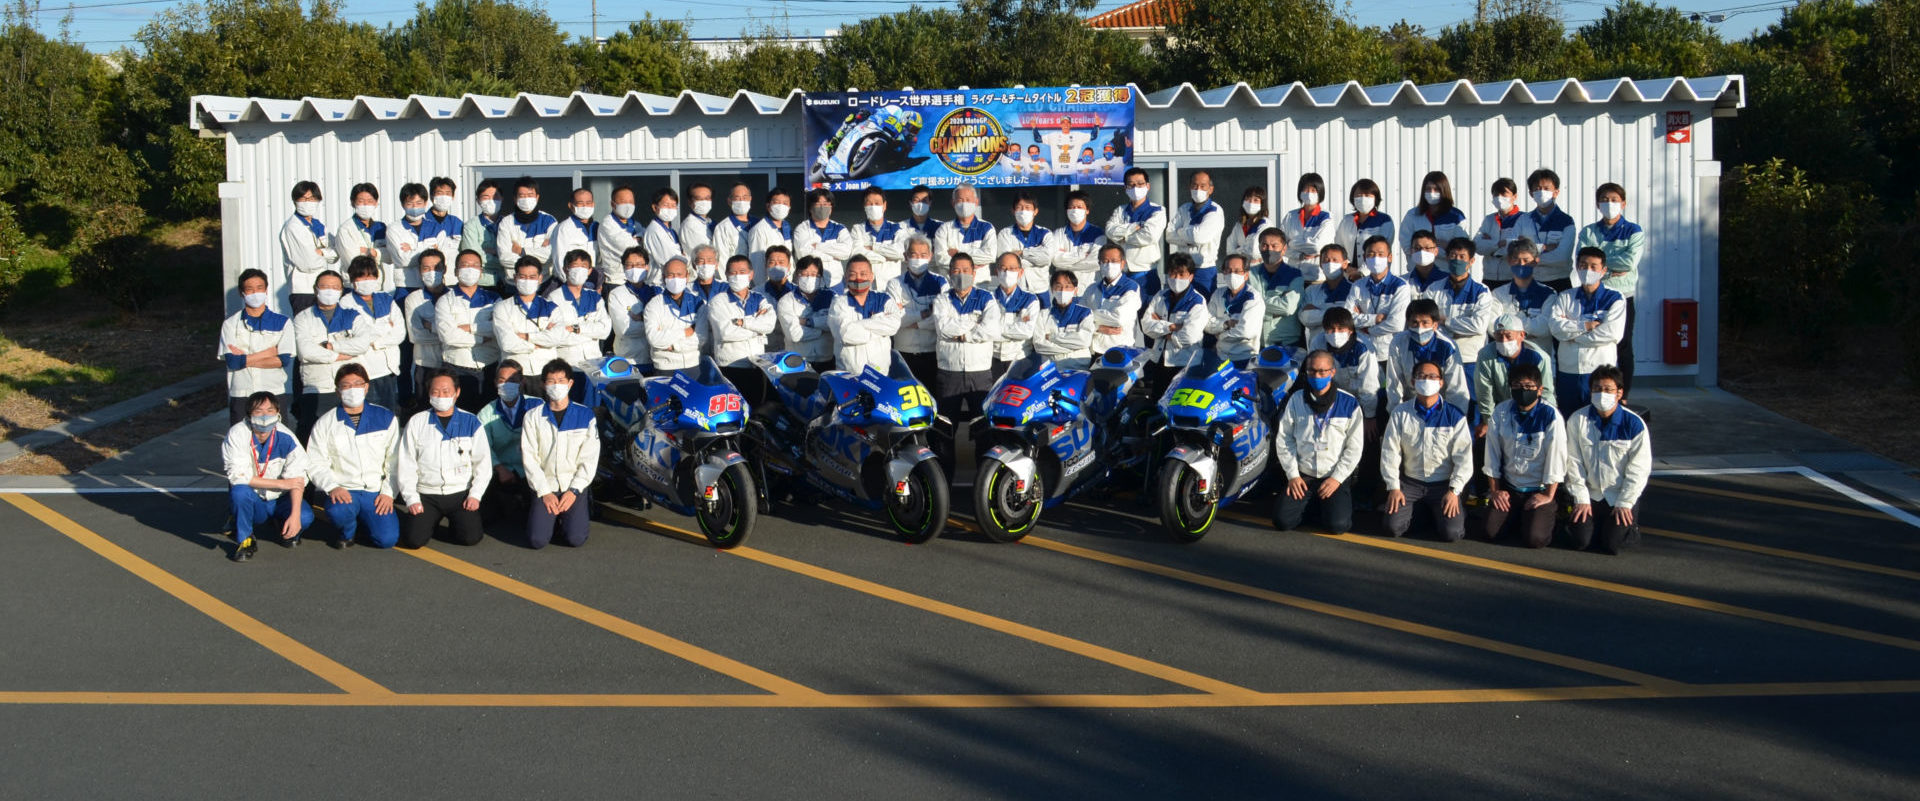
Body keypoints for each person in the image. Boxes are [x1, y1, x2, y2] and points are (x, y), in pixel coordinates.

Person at [305, 363, 402, 549]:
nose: (352, 389)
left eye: (358, 384)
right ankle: (348, 531)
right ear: (338, 391)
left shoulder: (386, 417)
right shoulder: (326, 422)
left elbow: (395, 460)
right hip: (345, 490)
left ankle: (367, 522)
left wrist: (388, 493)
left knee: (387, 540)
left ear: (366, 387)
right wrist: (332, 487)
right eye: (346, 385)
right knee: (338, 512)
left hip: (375, 490)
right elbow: (315, 462)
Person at [1273, 350, 1365, 534]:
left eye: (1323, 371)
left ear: (1332, 372)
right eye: (1312, 371)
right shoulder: (1296, 399)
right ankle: (1313, 504)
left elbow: (1354, 448)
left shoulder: (1349, 403)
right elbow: (1284, 439)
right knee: (1282, 522)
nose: (1317, 376)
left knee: (1337, 526)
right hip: (1303, 475)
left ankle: (1329, 504)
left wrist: (1336, 479)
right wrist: (1293, 475)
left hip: (1333, 476)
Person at [1380, 360, 1473, 541]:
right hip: (1411, 483)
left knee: (1451, 534)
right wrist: (1394, 487)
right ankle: (1425, 512)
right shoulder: (1400, 413)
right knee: (1392, 528)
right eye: (1421, 376)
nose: (1426, 380)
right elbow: (1390, 453)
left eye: (1432, 377)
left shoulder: (1455, 416)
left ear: (1441, 382)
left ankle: (1444, 512)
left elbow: (1464, 459)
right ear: (1413, 382)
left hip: (1443, 485)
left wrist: (1454, 491)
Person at [396, 369, 490, 548]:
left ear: (457, 393)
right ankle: (428, 522)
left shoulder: (471, 422)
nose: (441, 396)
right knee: (413, 541)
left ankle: (456, 522)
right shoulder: (417, 422)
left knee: (470, 538)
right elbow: (406, 463)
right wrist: (411, 499)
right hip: (426, 493)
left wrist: (475, 495)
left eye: (446, 392)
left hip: (460, 492)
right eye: (435, 392)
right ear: (429, 393)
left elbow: (483, 463)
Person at [1564, 365, 1651, 554]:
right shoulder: (1577, 419)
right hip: (1590, 495)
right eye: (1597, 389)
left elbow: (1639, 470)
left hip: (1618, 496)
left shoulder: (1634, 424)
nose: (1602, 394)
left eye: (1608, 389)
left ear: (1619, 393)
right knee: (1581, 542)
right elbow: (1573, 463)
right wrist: (1581, 497)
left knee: (1611, 546)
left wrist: (1625, 502)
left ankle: (1631, 529)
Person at [1480, 362, 1567, 548]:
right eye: (1517, 386)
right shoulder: (1501, 412)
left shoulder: (1551, 416)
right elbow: (1492, 455)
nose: (1523, 391)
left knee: (1535, 540)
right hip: (1511, 487)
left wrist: (1548, 495)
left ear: (1540, 389)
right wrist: (1495, 491)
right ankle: (1519, 516)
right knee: (1490, 531)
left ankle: (1548, 512)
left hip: (1539, 489)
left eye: (1528, 387)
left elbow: (1556, 459)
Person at [932, 254, 1003, 472]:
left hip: (980, 374)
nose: (961, 275)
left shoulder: (987, 298)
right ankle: (943, 482)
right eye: (955, 270)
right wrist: (974, 323)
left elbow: (992, 329)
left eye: (965, 270)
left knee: (983, 431)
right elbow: (943, 328)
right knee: (944, 431)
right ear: (949, 273)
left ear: (974, 273)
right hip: (948, 373)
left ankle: (984, 479)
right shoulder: (941, 300)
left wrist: (963, 334)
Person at [522, 360, 601, 549]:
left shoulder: (586, 415)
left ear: (570, 383)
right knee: (537, 541)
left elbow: (589, 459)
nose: (556, 385)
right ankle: (547, 516)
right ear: (543, 385)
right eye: (550, 381)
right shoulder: (532, 416)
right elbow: (529, 458)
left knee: (576, 539)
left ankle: (573, 511)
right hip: (546, 485)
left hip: (572, 486)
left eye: (561, 380)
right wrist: (544, 492)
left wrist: (574, 490)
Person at [223, 392, 310, 561]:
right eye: (258, 411)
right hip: (254, 496)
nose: (265, 416)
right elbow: (237, 476)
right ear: (249, 415)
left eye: (270, 410)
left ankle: (283, 523)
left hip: (280, 499)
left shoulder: (288, 438)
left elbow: (298, 479)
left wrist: (295, 515)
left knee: (304, 517)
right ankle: (246, 538)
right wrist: (282, 484)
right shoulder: (237, 434)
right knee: (239, 493)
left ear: (278, 413)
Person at [1575, 182, 1646, 390]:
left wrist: (1599, 260)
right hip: (1594, 292)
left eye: (1614, 200)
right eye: (1604, 200)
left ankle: (1622, 394)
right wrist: (1609, 262)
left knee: (1623, 345)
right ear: (1598, 205)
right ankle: (1595, 389)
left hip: (1623, 295)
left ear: (1623, 203)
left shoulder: (1634, 231)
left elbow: (1629, 262)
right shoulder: (1589, 231)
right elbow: (1583, 258)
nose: (1609, 204)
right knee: (1592, 340)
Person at [1308, 307, 1384, 502]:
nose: (1335, 334)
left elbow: (1369, 387)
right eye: (1330, 329)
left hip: (1367, 400)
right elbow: (1315, 373)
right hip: (1333, 398)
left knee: (1369, 440)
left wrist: (1369, 417)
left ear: (1350, 330)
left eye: (1340, 329)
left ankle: (1367, 493)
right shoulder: (1318, 342)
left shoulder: (1363, 348)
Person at [292, 270, 372, 441]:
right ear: (315, 289)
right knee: (313, 436)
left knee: (350, 437)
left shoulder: (353, 315)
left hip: (349, 388)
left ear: (342, 291)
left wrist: (330, 346)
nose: (330, 291)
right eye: (325, 287)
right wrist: (339, 356)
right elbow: (305, 351)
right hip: (317, 386)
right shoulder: (303, 318)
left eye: (335, 287)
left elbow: (363, 344)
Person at [1547, 247, 1627, 415]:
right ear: (1577, 266)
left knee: (1598, 419)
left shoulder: (1615, 298)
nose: (1587, 270)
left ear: (1603, 270)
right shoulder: (1565, 297)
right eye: (1583, 265)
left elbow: (1612, 333)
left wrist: (1572, 336)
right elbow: (1555, 328)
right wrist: (1585, 326)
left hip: (1600, 372)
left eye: (1593, 266)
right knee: (1569, 420)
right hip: (1569, 372)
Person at [221, 269, 296, 426]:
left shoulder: (283, 322)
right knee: (242, 440)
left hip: (273, 390)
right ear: (242, 293)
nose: (255, 293)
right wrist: (268, 353)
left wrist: (245, 359)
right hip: (242, 392)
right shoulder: (230, 324)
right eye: (250, 289)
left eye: (260, 288)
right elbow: (233, 362)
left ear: (266, 290)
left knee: (277, 440)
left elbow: (282, 361)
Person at [1427, 236, 1498, 394]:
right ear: (1446, 258)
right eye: (1453, 256)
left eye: (1462, 257)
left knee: (1471, 404)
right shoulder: (1433, 289)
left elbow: (1479, 326)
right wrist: (1461, 325)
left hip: (1470, 358)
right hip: (1440, 356)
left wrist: (1446, 321)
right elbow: (1428, 322)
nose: (1457, 260)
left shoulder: (1482, 291)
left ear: (1471, 261)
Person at [495, 256, 579, 383]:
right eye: (522, 277)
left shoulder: (551, 307)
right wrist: (540, 343)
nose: (527, 281)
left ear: (540, 278)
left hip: (544, 372)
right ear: (515, 277)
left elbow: (556, 338)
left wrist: (526, 336)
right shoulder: (502, 307)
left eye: (532, 277)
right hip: (515, 374)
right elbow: (507, 343)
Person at [433, 249, 501, 408]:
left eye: (475, 265)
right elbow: (449, 336)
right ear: (456, 271)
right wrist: (482, 338)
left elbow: (499, 328)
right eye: (465, 265)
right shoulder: (445, 301)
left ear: (481, 272)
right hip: (457, 367)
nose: (470, 269)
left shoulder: (494, 299)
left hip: (489, 366)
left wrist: (469, 327)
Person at [477, 360, 541, 523]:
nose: (507, 385)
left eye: (512, 380)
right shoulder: (486, 412)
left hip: (532, 470)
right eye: (502, 380)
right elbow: (482, 448)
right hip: (500, 471)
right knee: (486, 518)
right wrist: (499, 468)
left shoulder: (538, 406)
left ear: (522, 382)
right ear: (495, 383)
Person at [1140, 254, 1212, 392]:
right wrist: (1172, 327)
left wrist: (1162, 328)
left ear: (1190, 277)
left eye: (1181, 274)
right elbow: (1146, 325)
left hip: (1184, 364)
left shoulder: (1197, 301)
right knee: (1157, 403)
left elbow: (1190, 336)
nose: (1176, 278)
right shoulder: (1160, 296)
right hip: (1159, 361)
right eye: (1172, 274)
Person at [343, 256, 406, 410]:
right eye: (362, 276)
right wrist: (385, 327)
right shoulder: (345, 303)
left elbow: (400, 332)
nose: (367, 280)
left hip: (388, 368)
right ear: (353, 279)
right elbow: (354, 336)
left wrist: (376, 341)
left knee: (389, 413)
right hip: (364, 368)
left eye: (371, 275)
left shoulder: (386, 299)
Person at [1385, 298, 1470, 411]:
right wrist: (1396, 412)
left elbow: (1457, 389)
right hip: (1411, 403)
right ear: (1408, 323)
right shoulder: (1398, 343)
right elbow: (1394, 383)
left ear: (1435, 325)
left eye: (1425, 323)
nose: (1419, 328)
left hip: (1441, 404)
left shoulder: (1448, 347)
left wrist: (1453, 417)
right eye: (1415, 322)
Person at [1474, 314, 1557, 430]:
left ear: (1522, 335)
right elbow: (1484, 391)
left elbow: (1546, 392)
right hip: (1502, 411)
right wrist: (1489, 421)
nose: (1503, 341)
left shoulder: (1539, 357)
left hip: (1533, 410)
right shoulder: (1485, 355)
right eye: (1498, 336)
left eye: (1508, 336)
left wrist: (1546, 418)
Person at [547, 250, 611, 395]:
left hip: (594, 366)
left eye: (584, 266)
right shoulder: (554, 298)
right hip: (568, 365)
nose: (579, 270)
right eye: (575, 266)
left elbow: (605, 330)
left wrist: (575, 328)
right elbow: (558, 336)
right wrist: (591, 332)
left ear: (589, 271)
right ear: (565, 269)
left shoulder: (595, 297)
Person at [709, 254, 778, 389]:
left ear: (751, 275)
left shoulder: (759, 298)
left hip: (757, 364)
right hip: (731, 366)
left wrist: (744, 323)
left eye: (742, 272)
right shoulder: (717, 302)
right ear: (727, 275)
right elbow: (725, 333)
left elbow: (769, 325)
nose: (737, 276)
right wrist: (757, 331)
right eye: (733, 273)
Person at [830, 255, 905, 374]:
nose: (858, 278)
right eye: (853, 274)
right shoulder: (839, 303)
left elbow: (894, 325)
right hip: (850, 376)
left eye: (863, 274)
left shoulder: (884, 299)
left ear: (871, 276)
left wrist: (858, 325)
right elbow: (845, 334)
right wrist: (879, 328)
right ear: (846, 278)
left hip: (881, 374)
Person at [888, 235, 946, 383]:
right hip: (904, 353)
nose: (918, 259)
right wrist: (926, 313)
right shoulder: (894, 283)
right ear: (905, 256)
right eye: (913, 255)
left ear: (930, 256)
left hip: (933, 352)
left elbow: (943, 320)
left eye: (923, 255)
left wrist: (914, 321)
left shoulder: (940, 282)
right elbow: (894, 319)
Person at [1106, 167, 1168, 298]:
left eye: (1140, 184)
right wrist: (1135, 227)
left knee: (1146, 317)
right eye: (1131, 185)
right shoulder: (1120, 210)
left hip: (1146, 276)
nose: (1136, 188)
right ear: (1125, 188)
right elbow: (1110, 231)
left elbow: (1149, 236)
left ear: (1148, 186)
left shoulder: (1157, 210)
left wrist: (1123, 238)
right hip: (1122, 275)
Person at [1515, 168, 1578, 290]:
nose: (1541, 192)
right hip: (1529, 282)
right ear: (1531, 193)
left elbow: (1562, 257)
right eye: (1537, 189)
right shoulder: (1523, 220)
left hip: (1559, 282)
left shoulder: (1566, 221)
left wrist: (1528, 253)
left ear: (1556, 192)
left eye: (1546, 188)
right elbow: (1512, 250)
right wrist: (1545, 247)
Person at [645, 256, 709, 374]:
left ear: (687, 276)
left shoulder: (698, 303)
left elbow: (701, 338)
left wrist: (673, 346)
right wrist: (685, 332)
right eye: (671, 275)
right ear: (664, 278)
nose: (675, 279)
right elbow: (654, 339)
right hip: (665, 368)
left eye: (679, 275)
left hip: (693, 366)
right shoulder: (654, 305)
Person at [1490, 237, 1557, 352]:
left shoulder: (1549, 294)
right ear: (1509, 260)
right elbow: (1492, 327)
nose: (1521, 264)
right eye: (1516, 259)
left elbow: (1545, 328)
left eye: (1526, 260)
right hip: (1508, 356)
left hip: (1539, 356)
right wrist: (1531, 329)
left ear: (1536, 261)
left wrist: (1510, 326)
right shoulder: (1497, 294)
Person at [1352, 236, 1412, 364]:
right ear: (1364, 258)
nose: (1375, 259)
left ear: (1389, 257)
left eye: (1380, 254)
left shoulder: (1401, 286)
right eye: (1371, 255)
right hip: (1362, 351)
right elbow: (1348, 318)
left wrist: (1367, 329)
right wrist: (1374, 319)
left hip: (1389, 353)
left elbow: (1396, 323)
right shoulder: (1358, 285)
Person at [1166, 170, 1225, 294]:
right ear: (1189, 187)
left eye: (1203, 186)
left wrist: (1180, 231)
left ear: (1210, 189)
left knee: (1203, 308)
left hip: (1204, 270)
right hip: (1182, 268)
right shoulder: (1184, 208)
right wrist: (1190, 239)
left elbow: (1200, 237)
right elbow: (1169, 235)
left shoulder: (1215, 211)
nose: (1198, 189)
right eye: (1194, 185)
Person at [282, 180, 337, 312]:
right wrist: (326, 253)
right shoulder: (293, 227)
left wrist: (321, 252)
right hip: (303, 290)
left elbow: (336, 253)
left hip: (321, 288)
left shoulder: (318, 226)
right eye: (303, 198)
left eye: (312, 198)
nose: (307, 202)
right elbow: (308, 263)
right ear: (295, 201)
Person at [405, 251, 450, 407]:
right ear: (420, 271)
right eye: (426, 268)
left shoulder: (454, 297)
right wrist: (449, 333)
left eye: (436, 267)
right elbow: (416, 336)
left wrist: (430, 326)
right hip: (425, 364)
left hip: (451, 364)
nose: (432, 272)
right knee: (424, 408)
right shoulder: (413, 299)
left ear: (445, 269)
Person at [1083, 242, 1143, 358]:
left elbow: (1119, 319)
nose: (1109, 265)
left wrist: (1091, 315)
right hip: (1094, 350)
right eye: (1105, 261)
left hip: (1120, 351)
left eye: (1114, 261)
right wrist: (1098, 327)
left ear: (1122, 264)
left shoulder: (1131, 288)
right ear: (1099, 264)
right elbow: (1079, 319)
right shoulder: (1092, 289)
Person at [1399, 171, 1470, 268]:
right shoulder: (1412, 215)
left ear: (1444, 190)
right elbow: (1406, 245)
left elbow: (1461, 248)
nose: (1432, 193)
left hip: (1445, 272)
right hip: (1417, 271)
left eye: (1436, 189)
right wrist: (1439, 247)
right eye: (1428, 189)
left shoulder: (1456, 216)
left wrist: (1425, 248)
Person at [1204, 254, 1264, 368]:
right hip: (1220, 357)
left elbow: (1246, 331)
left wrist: (1220, 335)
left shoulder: (1253, 298)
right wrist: (1226, 324)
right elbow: (1206, 324)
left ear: (1246, 275)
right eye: (1228, 270)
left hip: (1245, 358)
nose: (1232, 274)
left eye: (1237, 271)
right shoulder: (1218, 294)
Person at [780, 256, 837, 371]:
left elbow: (836, 325)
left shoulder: (832, 298)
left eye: (814, 274)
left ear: (820, 277)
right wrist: (823, 330)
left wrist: (807, 322)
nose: (809, 278)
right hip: (797, 362)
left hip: (828, 360)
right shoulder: (786, 301)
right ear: (796, 276)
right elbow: (794, 334)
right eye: (804, 274)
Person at [496, 177, 559, 278]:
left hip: (543, 282)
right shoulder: (506, 222)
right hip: (513, 283)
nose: (526, 199)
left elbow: (551, 256)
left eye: (530, 195)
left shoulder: (549, 221)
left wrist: (522, 251)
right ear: (515, 198)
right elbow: (504, 257)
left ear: (537, 197)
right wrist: (538, 255)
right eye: (522, 195)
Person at [989, 252, 1040, 376]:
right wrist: (1013, 329)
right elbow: (983, 330)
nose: (1007, 272)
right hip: (991, 358)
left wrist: (995, 329)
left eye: (1012, 269)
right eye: (1003, 268)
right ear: (997, 271)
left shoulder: (1030, 299)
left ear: (1020, 272)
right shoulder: (988, 298)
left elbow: (1027, 332)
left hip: (1020, 359)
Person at [1297, 243, 1358, 346]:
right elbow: (1305, 318)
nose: (1330, 264)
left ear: (1345, 264)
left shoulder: (1355, 290)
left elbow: (1357, 319)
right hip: (1318, 349)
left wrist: (1317, 311)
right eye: (1326, 260)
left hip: (1348, 349)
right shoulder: (1311, 291)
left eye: (1335, 260)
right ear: (1320, 264)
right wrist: (1344, 313)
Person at [333, 183, 391, 292]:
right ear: (352, 203)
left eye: (370, 201)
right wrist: (379, 253)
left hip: (377, 286)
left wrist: (371, 252)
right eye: (361, 201)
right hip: (354, 286)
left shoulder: (381, 227)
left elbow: (391, 257)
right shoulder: (346, 229)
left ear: (376, 203)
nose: (366, 205)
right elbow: (352, 261)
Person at [1253, 229, 1304, 348]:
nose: (1269, 249)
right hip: (1256, 343)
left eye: (1274, 245)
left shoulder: (1295, 275)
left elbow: (1288, 308)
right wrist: (1275, 310)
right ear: (1259, 247)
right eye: (1264, 245)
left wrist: (1257, 306)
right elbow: (1245, 304)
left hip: (1286, 343)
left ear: (1284, 249)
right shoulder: (1250, 274)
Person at [1034, 270, 1095, 369]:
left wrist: (1052, 337)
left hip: (1078, 368)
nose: (1063, 290)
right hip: (1050, 370)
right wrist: (1073, 348)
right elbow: (1039, 345)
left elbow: (1084, 341)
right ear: (1052, 289)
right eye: (1058, 286)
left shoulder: (1085, 313)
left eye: (1067, 287)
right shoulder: (1043, 314)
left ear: (1075, 290)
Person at [996, 192, 1055, 295]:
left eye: (1028, 208)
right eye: (1019, 207)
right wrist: (1036, 259)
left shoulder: (1045, 233)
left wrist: (1022, 253)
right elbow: (1006, 263)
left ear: (1035, 211)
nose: (1023, 211)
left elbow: (1047, 258)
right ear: (1013, 211)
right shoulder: (1005, 233)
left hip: (1040, 290)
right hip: (1014, 289)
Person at [1045, 190, 1107, 289]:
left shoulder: (1098, 233)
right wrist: (1081, 255)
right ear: (1066, 210)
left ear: (1087, 210)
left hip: (1088, 288)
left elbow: (1096, 263)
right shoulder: (1058, 233)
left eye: (1079, 207)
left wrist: (1065, 264)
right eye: (1071, 207)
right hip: (1064, 290)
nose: (1075, 210)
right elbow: (1055, 260)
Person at [850, 186, 908, 289]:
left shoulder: (897, 228)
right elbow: (856, 254)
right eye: (869, 203)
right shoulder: (857, 229)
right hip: (867, 287)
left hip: (892, 286)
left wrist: (873, 248)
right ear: (864, 206)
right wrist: (885, 257)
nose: (873, 207)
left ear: (884, 206)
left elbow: (900, 253)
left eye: (877, 203)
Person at [1279, 173, 1335, 277]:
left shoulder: (1326, 216)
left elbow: (1317, 247)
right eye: (1305, 190)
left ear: (1320, 193)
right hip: (1293, 274)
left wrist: (1291, 243)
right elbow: (1280, 246)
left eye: (1313, 190)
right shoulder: (1290, 216)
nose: (1309, 194)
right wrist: (1299, 255)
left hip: (1316, 275)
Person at [794, 188, 854, 285]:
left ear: (831, 208)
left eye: (826, 204)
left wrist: (817, 246)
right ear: (810, 208)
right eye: (818, 204)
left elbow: (846, 252)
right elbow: (804, 254)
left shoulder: (839, 228)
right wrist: (833, 256)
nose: (822, 207)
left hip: (835, 282)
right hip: (810, 282)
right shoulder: (802, 229)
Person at [933, 183, 995, 275]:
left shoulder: (987, 227)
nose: (964, 204)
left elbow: (990, 256)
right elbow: (940, 259)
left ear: (976, 202)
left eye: (968, 200)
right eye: (960, 200)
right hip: (952, 284)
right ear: (953, 203)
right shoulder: (944, 229)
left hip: (980, 283)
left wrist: (958, 252)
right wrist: (972, 265)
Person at [386, 182, 439, 290]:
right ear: (402, 205)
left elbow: (439, 258)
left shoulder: (435, 227)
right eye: (410, 204)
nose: (415, 207)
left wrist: (413, 249)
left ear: (425, 203)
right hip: (406, 285)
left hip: (433, 284)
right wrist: (426, 246)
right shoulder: (394, 229)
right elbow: (403, 260)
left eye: (419, 203)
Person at [457, 178, 507, 289]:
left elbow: (516, 255)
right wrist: (502, 258)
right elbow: (473, 257)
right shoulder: (471, 226)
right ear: (478, 200)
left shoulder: (508, 224)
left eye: (495, 197)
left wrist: (489, 252)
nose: (491, 201)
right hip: (482, 283)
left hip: (507, 282)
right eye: (486, 197)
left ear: (502, 199)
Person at [1335, 179, 1395, 271]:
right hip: (1348, 275)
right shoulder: (1346, 220)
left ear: (1375, 198)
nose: (1363, 199)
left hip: (1375, 274)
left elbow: (1381, 250)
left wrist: (1361, 273)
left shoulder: (1384, 220)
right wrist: (1347, 268)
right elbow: (1339, 247)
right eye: (1359, 195)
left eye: (1367, 195)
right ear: (1353, 198)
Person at [1474, 177, 1525, 286]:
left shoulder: (1524, 219)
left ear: (1514, 196)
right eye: (1496, 195)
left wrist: (1491, 247)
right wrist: (1499, 244)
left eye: (1504, 194)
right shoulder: (1489, 220)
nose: (1499, 198)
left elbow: (1521, 248)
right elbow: (1477, 245)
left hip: (1513, 277)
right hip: (1489, 277)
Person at [596, 185, 644, 286]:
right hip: (616, 282)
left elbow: (647, 240)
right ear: (613, 204)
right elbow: (630, 248)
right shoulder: (607, 224)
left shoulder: (635, 224)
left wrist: (639, 238)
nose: (628, 205)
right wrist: (640, 239)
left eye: (631, 202)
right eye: (623, 202)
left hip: (636, 280)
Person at [746, 187, 794, 285]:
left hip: (786, 284)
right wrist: (764, 289)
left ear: (789, 207)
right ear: (768, 206)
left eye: (785, 203)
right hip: (770, 286)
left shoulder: (787, 227)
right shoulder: (759, 230)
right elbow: (757, 264)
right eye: (777, 202)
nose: (781, 206)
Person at [551, 188, 600, 281]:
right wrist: (570, 284)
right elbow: (559, 260)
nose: (585, 206)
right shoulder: (563, 228)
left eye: (588, 203)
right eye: (580, 203)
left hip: (593, 281)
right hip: (570, 282)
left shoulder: (597, 227)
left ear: (593, 204)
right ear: (571, 205)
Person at [422, 176, 465, 272]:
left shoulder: (457, 223)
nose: (444, 197)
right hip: (429, 274)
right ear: (431, 196)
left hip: (452, 276)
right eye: (439, 193)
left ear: (453, 197)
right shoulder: (422, 221)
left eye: (448, 193)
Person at [640, 187, 684, 277]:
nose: (670, 209)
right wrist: (683, 257)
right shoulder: (654, 230)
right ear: (655, 207)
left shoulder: (671, 231)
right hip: (659, 282)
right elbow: (670, 260)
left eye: (673, 205)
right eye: (666, 205)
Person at [1224, 185, 1274, 263]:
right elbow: (1229, 250)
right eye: (1248, 199)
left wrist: (1238, 250)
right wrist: (1245, 251)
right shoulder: (1239, 225)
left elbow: (1254, 250)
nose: (1251, 203)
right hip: (1241, 269)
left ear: (1262, 203)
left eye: (1256, 200)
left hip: (1259, 269)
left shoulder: (1265, 224)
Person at [710, 182, 757, 263]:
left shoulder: (758, 224)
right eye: (737, 198)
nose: (741, 201)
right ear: (729, 201)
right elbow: (722, 261)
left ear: (750, 199)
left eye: (745, 197)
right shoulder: (722, 228)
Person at [680, 182, 717, 257]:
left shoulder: (708, 222)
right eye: (699, 199)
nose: (703, 202)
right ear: (690, 202)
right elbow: (706, 253)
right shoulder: (690, 225)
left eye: (707, 198)